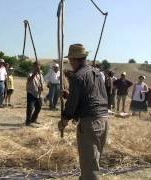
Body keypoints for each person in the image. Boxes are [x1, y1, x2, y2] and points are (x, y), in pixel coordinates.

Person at [59, 44, 108, 180]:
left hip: (90, 123)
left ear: (74, 59)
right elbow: (93, 96)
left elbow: (72, 105)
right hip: (103, 120)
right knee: (92, 162)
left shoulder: (77, 76)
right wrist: (69, 94)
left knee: (89, 168)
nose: (69, 62)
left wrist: (64, 121)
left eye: (70, 59)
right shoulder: (97, 73)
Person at [26, 61, 44, 126]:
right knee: (30, 108)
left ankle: (33, 119)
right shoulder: (30, 73)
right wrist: (35, 73)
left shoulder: (41, 75)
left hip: (38, 94)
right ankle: (28, 122)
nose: (38, 67)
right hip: (31, 92)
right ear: (34, 66)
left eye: (39, 65)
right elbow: (29, 79)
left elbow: (42, 83)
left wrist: (41, 87)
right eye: (36, 65)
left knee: (39, 107)